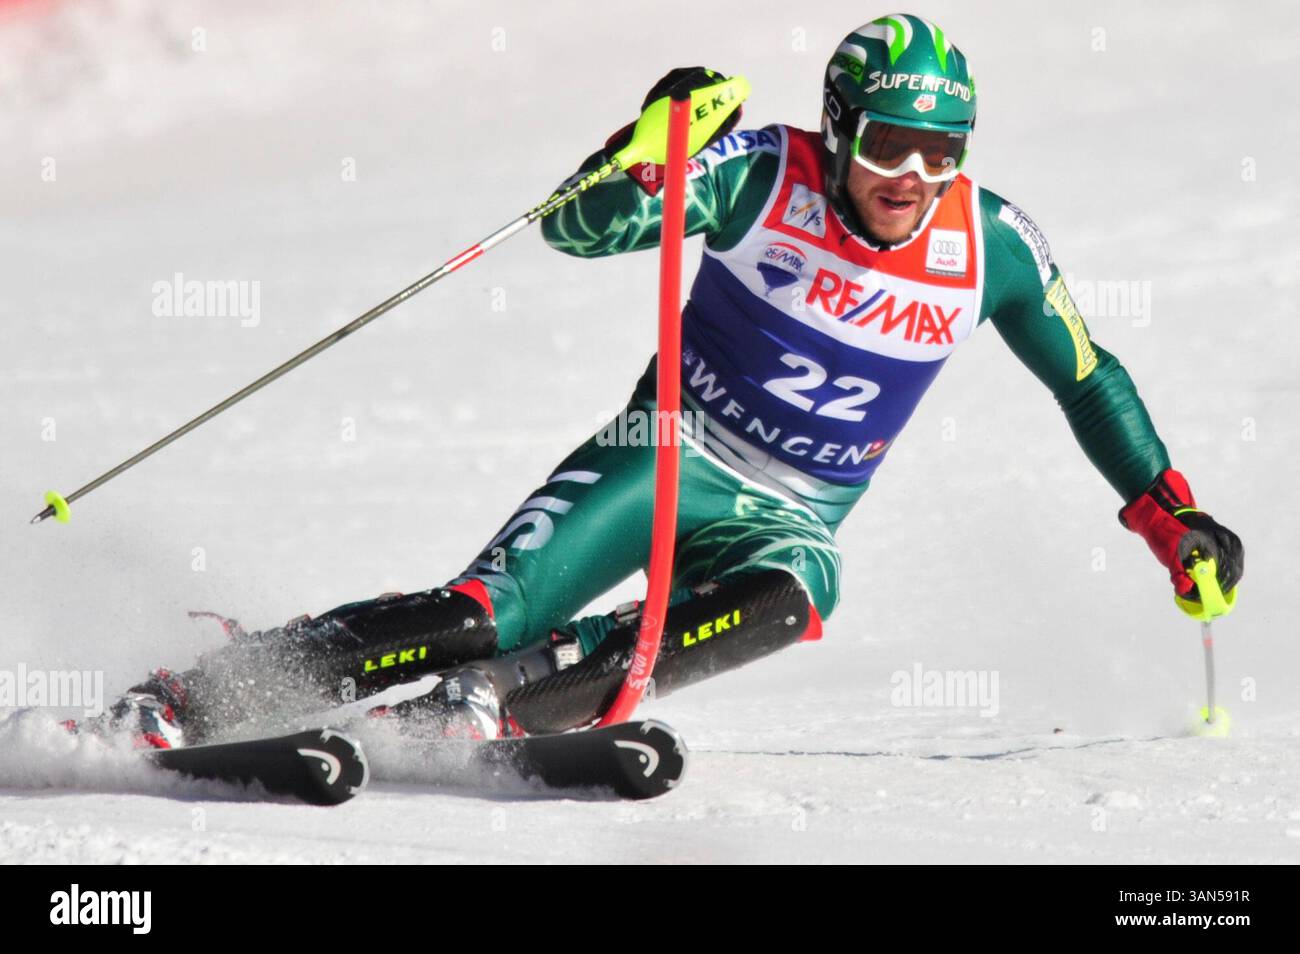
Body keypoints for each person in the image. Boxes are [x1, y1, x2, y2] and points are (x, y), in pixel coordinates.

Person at [92, 13, 1243, 748]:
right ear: (840, 129)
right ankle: (191, 696)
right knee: (478, 614)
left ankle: (496, 709)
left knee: (802, 595)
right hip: (664, 455)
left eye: (941, 153)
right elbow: (580, 231)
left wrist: (1169, 514)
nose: (910, 177)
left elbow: (1088, 379)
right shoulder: (763, 173)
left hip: (789, 516)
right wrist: (643, 156)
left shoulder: (991, 246)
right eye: (886, 143)